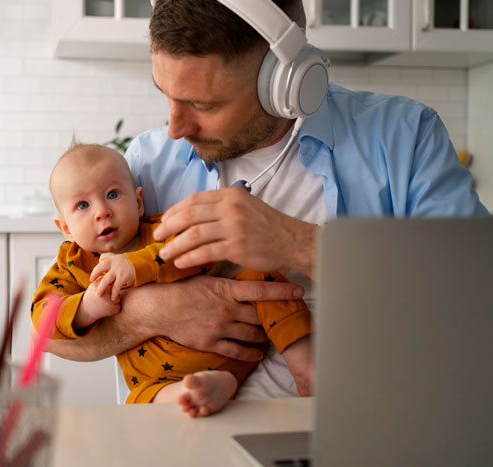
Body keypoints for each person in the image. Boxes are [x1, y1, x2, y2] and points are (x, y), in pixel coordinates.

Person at [45, 0, 489, 401]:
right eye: (166, 94)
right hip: (189, 436)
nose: (175, 127)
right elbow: (49, 334)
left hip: (364, 425)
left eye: (202, 104)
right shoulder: (144, 166)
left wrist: (301, 245)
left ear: (285, 80)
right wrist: (151, 313)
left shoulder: (403, 137)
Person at [33, 142, 312, 416]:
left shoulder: (161, 229)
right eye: (83, 204)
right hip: (160, 378)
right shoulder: (71, 265)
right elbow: (43, 314)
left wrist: (136, 265)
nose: (101, 211)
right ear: (65, 228)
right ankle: (199, 390)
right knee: (140, 399)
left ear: (139, 201)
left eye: (113, 195)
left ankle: (304, 366)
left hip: (238, 343)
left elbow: (200, 256)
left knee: (266, 280)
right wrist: (86, 307)